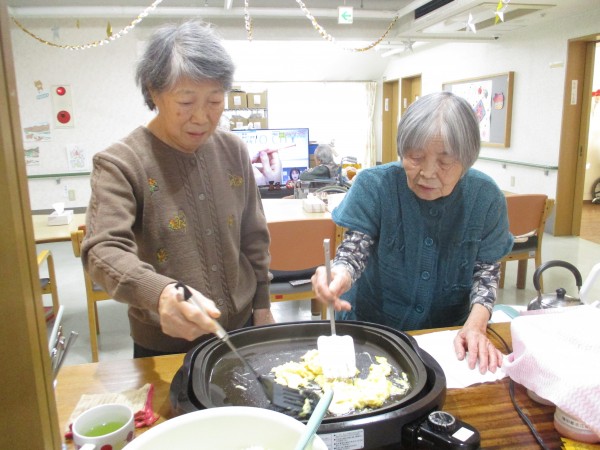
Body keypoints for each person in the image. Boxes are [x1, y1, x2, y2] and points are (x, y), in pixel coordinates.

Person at [81, 20, 275, 358]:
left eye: (214, 100)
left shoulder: (233, 150)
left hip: (240, 327)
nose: (201, 117)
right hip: (164, 345)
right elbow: (103, 249)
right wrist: (160, 293)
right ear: (154, 92)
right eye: (186, 102)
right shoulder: (120, 163)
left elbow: (253, 237)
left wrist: (262, 304)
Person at [311, 92, 513, 374]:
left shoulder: (486, 197)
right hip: (373, 331)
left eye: (445, 162)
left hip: (445, 337)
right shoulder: (374, 185)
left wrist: (476, 324)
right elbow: (354, 251)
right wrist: (339, 274)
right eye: (416, 157)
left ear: (467, 160)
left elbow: (486, 273)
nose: (428, 173)